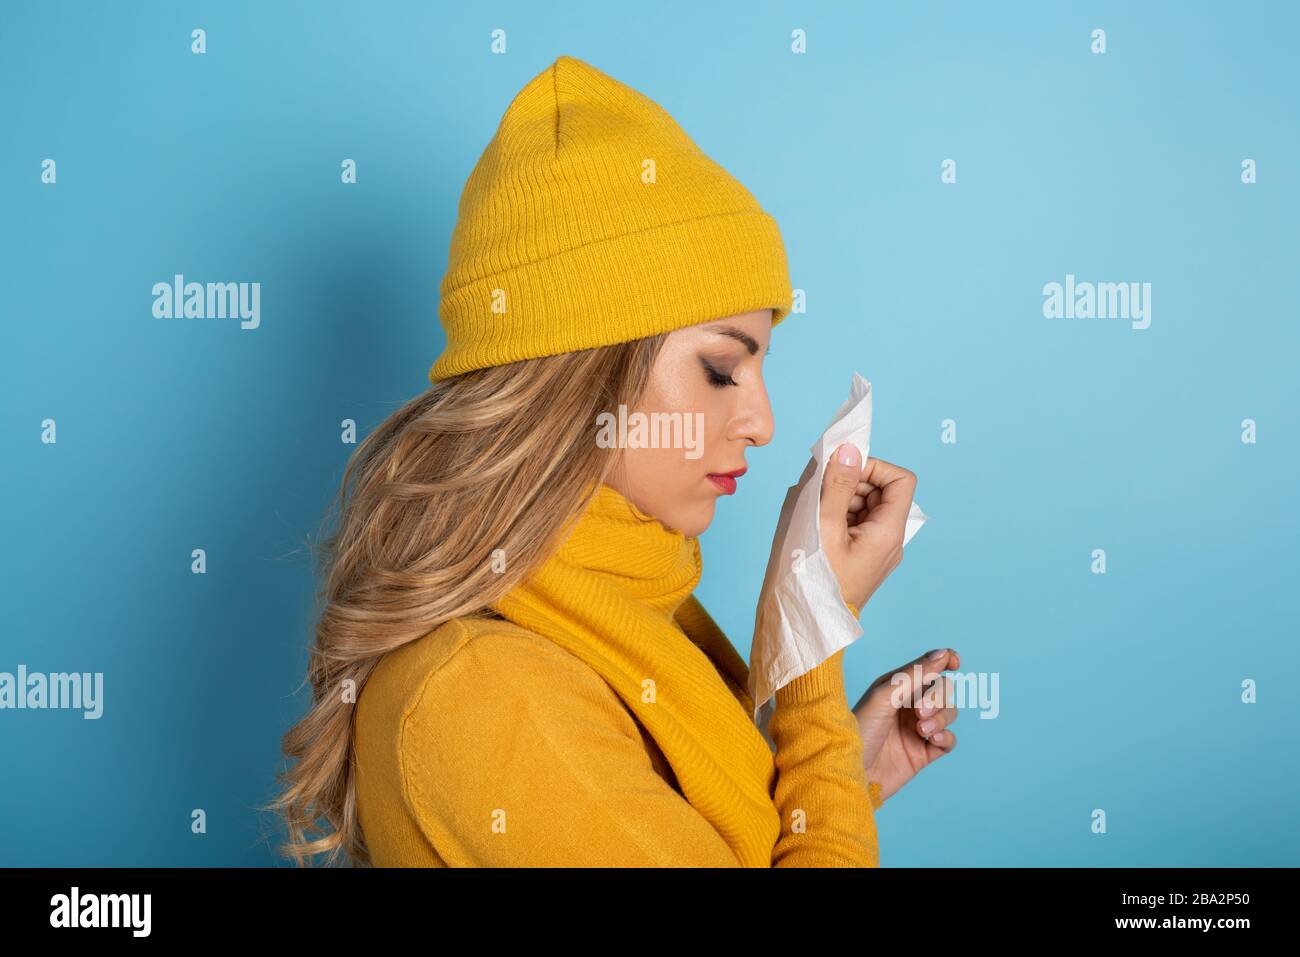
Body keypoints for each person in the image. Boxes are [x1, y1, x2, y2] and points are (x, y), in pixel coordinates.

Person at [270, 55, 960, 867]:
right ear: (582, 376)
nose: (762, 421)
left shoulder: (622, 607)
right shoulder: (484, 698)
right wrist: (809, 652)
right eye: (719, 368)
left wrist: (837, 764)